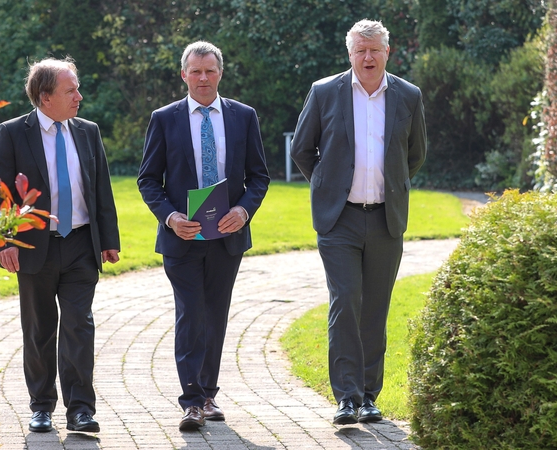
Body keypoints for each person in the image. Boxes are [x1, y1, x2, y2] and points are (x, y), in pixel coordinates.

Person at [290, 19, 427, 425]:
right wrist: (328, 186)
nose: (368, 57)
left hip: (386, 220)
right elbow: (302, 149)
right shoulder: (324, 91)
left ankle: (369, 396)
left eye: (375, 49)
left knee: (376, 309)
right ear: (350, 54)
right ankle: (346, 398)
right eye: (360, 50)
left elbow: (415, 154)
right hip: (340, 222)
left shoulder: (409, 96)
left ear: (388, 52)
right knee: (346, 302)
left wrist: (393, 187)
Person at [137, 41, 270, 431]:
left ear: (220, 73)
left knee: (216, 316)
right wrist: (171, 217)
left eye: (209, 71)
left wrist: (243, 211)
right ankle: (191, 401)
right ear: (184, 75)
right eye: (195, 71)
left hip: (227, 238)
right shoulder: (165, 118)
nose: (203, 78)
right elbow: (148, 179)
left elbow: (259, 176)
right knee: (191, 314)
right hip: (182, 239)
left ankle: (209, 395)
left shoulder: (243, 116)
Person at [0, 57, 120, 433]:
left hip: (81, 243)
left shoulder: (88, 131)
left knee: (80, 324)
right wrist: (5, 243)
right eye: (70, 90)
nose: (79, 96)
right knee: (39, 328)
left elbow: (101, 189)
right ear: (45, 97)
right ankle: (41, 405)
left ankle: (81, 409)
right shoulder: (14, 132)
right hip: (34, 247)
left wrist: (108, 240)